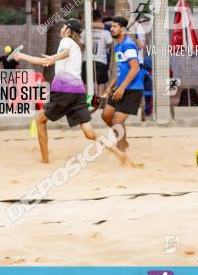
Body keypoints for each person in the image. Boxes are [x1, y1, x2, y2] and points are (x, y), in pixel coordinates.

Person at [11, 19, 134, 166]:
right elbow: (62, 55)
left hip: (64, 90)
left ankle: (45, 160)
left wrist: (27, 56)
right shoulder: (76, 45)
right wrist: (51, 58)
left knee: (39, 120)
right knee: (89, 133)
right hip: (77, 91)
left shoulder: (66, 41)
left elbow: (64, 53)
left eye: (63, 26)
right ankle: (119, 153)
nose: (61, 28)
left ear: (68, 31)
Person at [101, 17, 145, 153]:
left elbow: (135, 68)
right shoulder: (118, 45)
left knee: (117, 120)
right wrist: (110, 86)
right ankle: (123, 141)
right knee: (106, 116)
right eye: (111, 26)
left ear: (123, 29)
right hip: (120, 87)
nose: (111, 29)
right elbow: (121, 71)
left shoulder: (128, 45)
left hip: (132, 89)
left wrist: (122, 87)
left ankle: (122, 152)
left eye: (115, 26)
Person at [87, 10, 112, 96]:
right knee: (100, 84)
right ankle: (98, 104)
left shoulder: (86, 28)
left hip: (91, 59)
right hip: (101, 60)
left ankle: (93, 103)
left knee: (91, 83)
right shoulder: (106, 30)